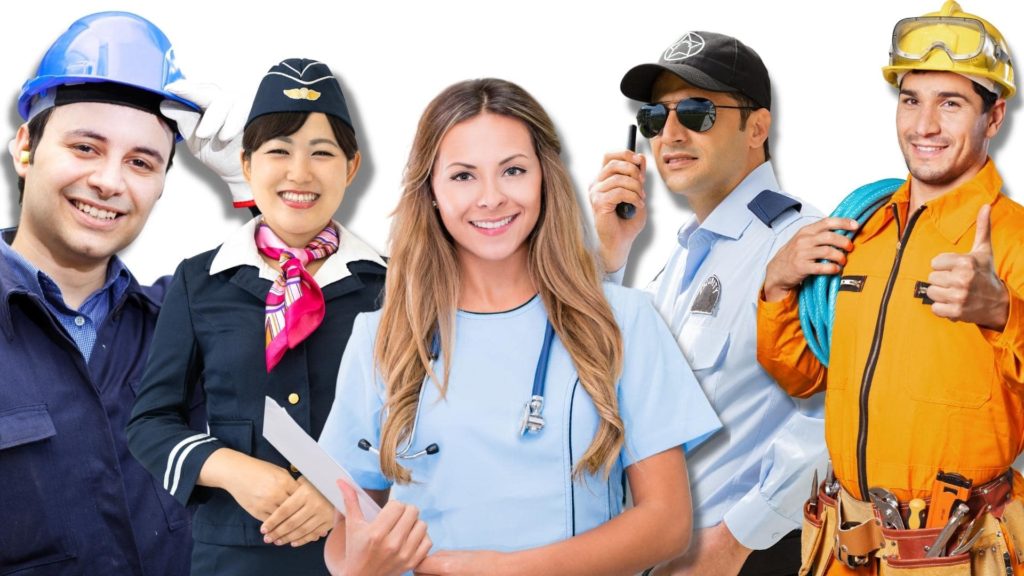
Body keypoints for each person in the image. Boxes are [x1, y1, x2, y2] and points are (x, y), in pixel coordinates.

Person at [318, 77, 721, 576]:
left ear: (545, 179)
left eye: (512, 170)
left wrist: (505, 570)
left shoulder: (623, 322)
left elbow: (666, 524)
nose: (490, 198)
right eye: (463, 176)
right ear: (432, 192)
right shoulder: (380, 338)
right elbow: (345, 529)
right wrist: (357, 564)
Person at [757, 1, 1024, 573]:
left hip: (963, 553)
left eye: (950, 103)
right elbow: (805, 378)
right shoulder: (863, 231)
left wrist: (1005, 314)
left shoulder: (1016, 241)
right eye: (910, 100)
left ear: (994, 117)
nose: (923, 125)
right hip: (846, 547)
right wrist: (778, 288)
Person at [126, 58, 387, 575]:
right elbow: (151, 421)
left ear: (351, 168)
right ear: (246, 165)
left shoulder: (393, 286)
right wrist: (232, 469)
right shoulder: (200, 281)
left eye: (322, 153)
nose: (299, 173)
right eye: (278, 151)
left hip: (364, 551)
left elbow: (424, 421)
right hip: (233, 557)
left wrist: (347, 487)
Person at [588, 31, 826, 576]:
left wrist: (735, 541)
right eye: (654, 117)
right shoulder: (678, 264)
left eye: (696, 112)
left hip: (756, 559)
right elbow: (614, 390)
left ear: (757, 128)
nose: (668, 134)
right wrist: (609, 256)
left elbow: (833, 417)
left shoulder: (799, 244)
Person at [0, 11, 202, 576]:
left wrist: (257, 181)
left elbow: (323, 312)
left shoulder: (185, 324)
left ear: (162, 185)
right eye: (86, 148)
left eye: (141, 162)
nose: (111, 182)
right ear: (25, 147)